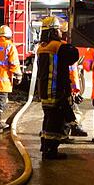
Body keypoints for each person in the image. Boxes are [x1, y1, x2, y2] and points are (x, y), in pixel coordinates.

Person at [36, 16, 80, 160]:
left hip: (45, 90)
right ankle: (50, 151)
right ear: (54, 31)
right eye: (59, 30)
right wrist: (70, 39)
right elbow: (74, 55)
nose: (61, 32)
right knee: (55, 122)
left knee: (48, 119)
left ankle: (45, 147)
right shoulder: (57, 46)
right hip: (55, 91)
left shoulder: (41, 47)